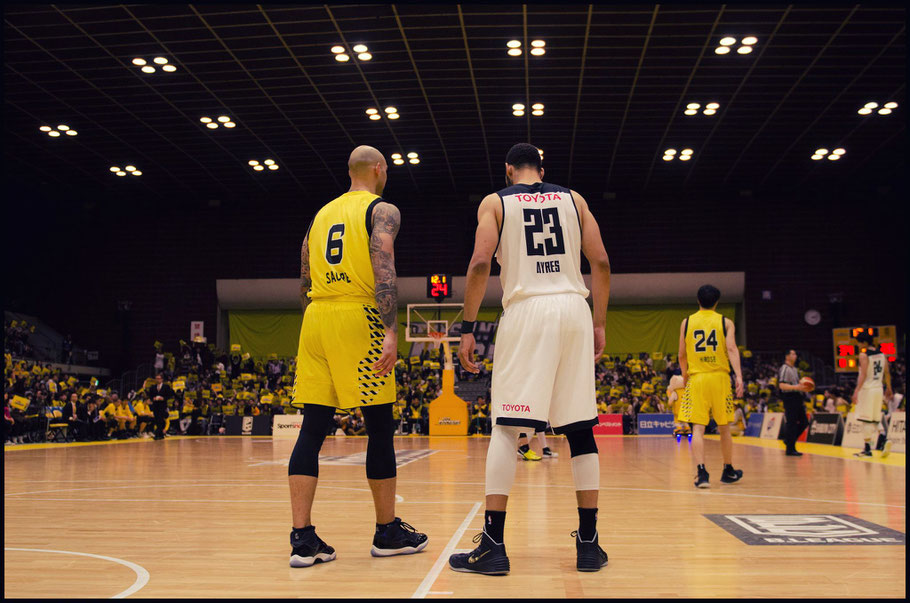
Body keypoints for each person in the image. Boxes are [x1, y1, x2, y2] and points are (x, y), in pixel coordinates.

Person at [449, 143, 611, 575]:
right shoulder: (575, 199)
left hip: (528, 310)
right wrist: (598, 322)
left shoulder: (495, 202)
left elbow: (481, 261)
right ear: (543, 169)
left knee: (507, 426)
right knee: (580, 428)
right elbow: (600, 260)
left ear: (508, 170)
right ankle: (590, 545)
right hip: (574, 309)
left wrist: (467, 328)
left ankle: (493, 546)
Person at [287, 146, 427, 568]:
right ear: (380, 169)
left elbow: (304, 274)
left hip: (315, 316)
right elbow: (383, 265)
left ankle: (302, 538)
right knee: (379, 425)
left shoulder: (321, 213)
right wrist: (389, 329)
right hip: (358, 313)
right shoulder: (382, 210)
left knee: (312, 428)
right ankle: (387, 532)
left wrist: (317, 320)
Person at [678, 284, 744, 488]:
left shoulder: (687, 322)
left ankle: (702, 473)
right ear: (717, 302)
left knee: (698, 427)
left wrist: (685, 376)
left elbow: (682, 354)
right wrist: (739, 376)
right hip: (720, 378)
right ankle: (728, 469)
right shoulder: (725, 322)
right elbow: (732, 348)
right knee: (724, 427)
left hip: (697, 378)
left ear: (698, 300)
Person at [851, 328, 893, 458]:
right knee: (874, 417)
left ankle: (867, 449)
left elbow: (863, 374)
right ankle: (884, 437)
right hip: (878, 389)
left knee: (865, 419)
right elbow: (887, 373)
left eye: (859, 342)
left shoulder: (864, 355)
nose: (858, 345)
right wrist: (889, 388)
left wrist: (856, 390)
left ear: (864, 342)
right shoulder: (882, 354)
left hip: (867, 389)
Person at [777, 349, 811, 456]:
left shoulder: (795, 369)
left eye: (795, 353)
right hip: (789, 397)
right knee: (791, 423)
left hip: (797, 397)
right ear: (787, 356)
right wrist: (797, 387)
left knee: (804, 422)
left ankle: (789, 441)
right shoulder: (785, 368)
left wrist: (803, 388)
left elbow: (797, 385)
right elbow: (781, 385)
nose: (795, 355)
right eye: (793, 353)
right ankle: (790, 449)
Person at [146, 373, 175, 440]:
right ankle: (160, 434)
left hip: (162, 405)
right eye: (156, 378)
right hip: (155, 405)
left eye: (159, 378)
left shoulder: (166, 387)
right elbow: (150, 395)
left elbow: (170, 395)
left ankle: (158, 434)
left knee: (161, 419)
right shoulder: (153, 387)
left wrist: (163, 398)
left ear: (162, 379)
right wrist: (152, 398)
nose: (157, 380)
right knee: (156, 419)